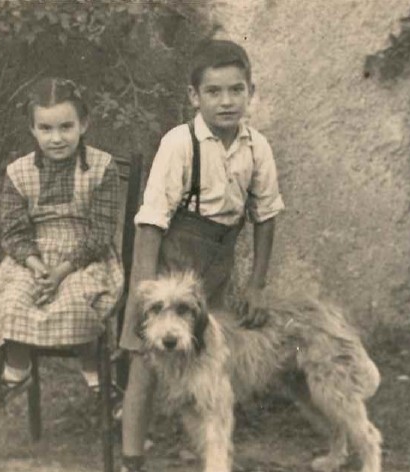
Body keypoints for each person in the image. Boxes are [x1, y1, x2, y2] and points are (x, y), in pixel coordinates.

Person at [118, 39, 285, 472]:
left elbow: (265, 216)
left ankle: (208, 451)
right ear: (195, 96)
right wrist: (143, 294)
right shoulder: (179, 144)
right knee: (145, 358)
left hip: (219, 263)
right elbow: (151, 222)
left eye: (236, 90)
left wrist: (257, 284)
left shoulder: (257, 148)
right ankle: (131, 455)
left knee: (205, 359)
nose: (226, 101)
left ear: (251, 91)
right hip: (172, 259)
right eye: (214, 92)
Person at [0, 77, 124, 413]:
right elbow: (13, 231)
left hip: (84, 257)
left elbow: (101, 231)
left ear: (84, 124)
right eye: (46, 128)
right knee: (7, 300)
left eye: (66, 127)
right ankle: (16, 370)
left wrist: (62, 272)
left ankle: (98, 380)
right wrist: (38, 267)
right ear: (33, 130)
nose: (57, 138)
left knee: (76, 301)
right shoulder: (19, 172)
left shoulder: (103, 168)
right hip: (34, 258)